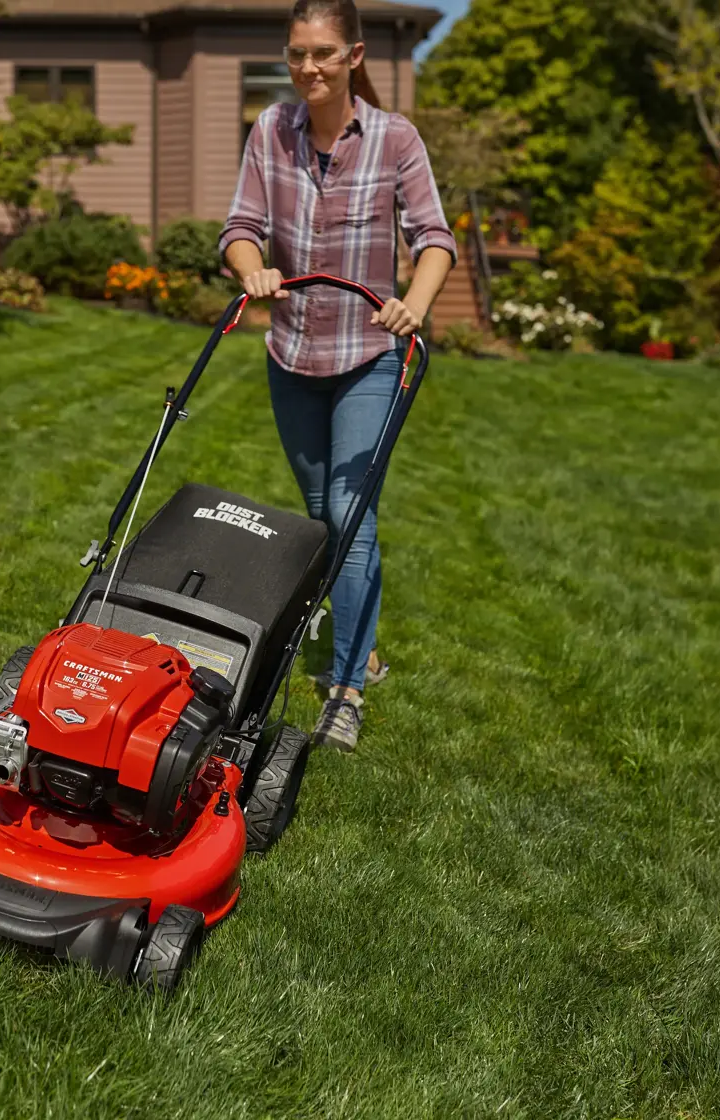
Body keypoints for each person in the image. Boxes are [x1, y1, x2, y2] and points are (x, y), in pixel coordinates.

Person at [219, 0, 455, 753]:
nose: (307, 68)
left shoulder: (394, 140)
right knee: (325, 516)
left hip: (370, 357)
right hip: (292, 353)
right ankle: (365, 641)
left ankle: (346, 686)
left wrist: (413, 305)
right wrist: (254, 273)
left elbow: (433, 237)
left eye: (322, 53)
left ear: (353, 55)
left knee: (352, 518)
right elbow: (241, 229)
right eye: (296, 54)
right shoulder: (270, 132)